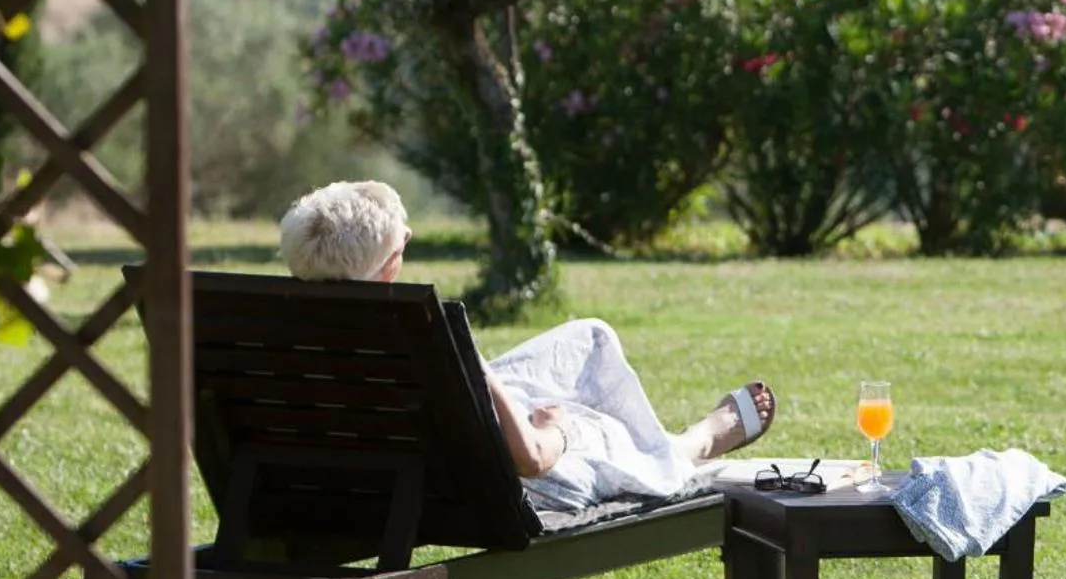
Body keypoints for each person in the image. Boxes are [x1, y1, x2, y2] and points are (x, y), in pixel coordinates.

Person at [277, 180, 776, 512]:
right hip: (479, 489)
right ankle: (697, 442)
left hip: (365, 483)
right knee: (592, 427)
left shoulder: (284, 336)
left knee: (589, 337)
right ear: (388, 267)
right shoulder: (430, 334)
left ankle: (661, 437)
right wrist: (555, 431)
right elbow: (532, 461)